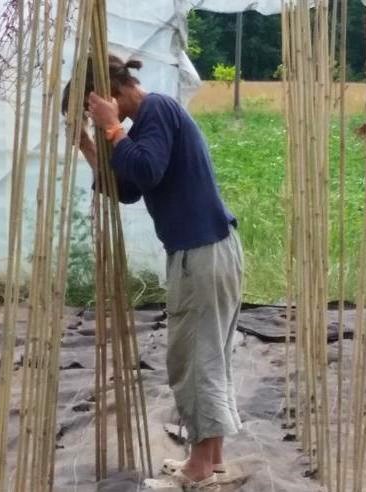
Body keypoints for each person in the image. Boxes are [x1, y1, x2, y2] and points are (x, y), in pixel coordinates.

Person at [63, 55, 244, 489]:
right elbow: (127, 188)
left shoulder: (157, 109)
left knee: (193, 357)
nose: (93, 116)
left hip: (202, 252)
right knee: (205, 353)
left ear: (107, 90)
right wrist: (89, 145)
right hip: (203, 249)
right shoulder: (143, 124)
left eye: (90, 107)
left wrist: (111, 128)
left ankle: (198, 469)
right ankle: (212, 459)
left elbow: (145, 167)